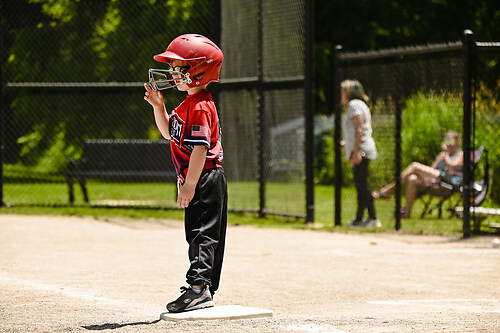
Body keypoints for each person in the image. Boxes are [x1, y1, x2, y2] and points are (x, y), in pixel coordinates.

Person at [143, 34, 227, 313]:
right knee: (196, 233)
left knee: (203, 234)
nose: (173, 74)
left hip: (204, 177)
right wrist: (158, 107)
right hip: (199, 178)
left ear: (198, 72)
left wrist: (190, 185)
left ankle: (198, 288)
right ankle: (203, 288)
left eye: (179, 69)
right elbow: (169, 132)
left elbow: (201, 149)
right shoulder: (186, 104)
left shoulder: (201, 106)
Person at [373, 130, 463, 218]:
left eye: (450, 141)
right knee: (412, 178)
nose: (448, 143)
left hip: (448, 181)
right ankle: (406, 212)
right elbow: (432, 169)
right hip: (435, 181)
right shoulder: (442, 154)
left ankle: (389, 190)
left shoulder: (460, 154)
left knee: (415, 166)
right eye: (446, 140)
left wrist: (446, 154)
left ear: (457, 142)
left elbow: (453, 165)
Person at [340, 80, 380, 228]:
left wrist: (356, 151)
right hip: (362, 148)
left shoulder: (353, 105)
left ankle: (371, 217)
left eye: (343, 91)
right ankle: (362, 218)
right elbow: (358, 129)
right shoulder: (359, 104)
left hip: (361, 151)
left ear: (350, 92)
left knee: (362, 185)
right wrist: (347, 143)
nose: (341, 95)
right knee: (361, 185)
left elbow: (360, 128)